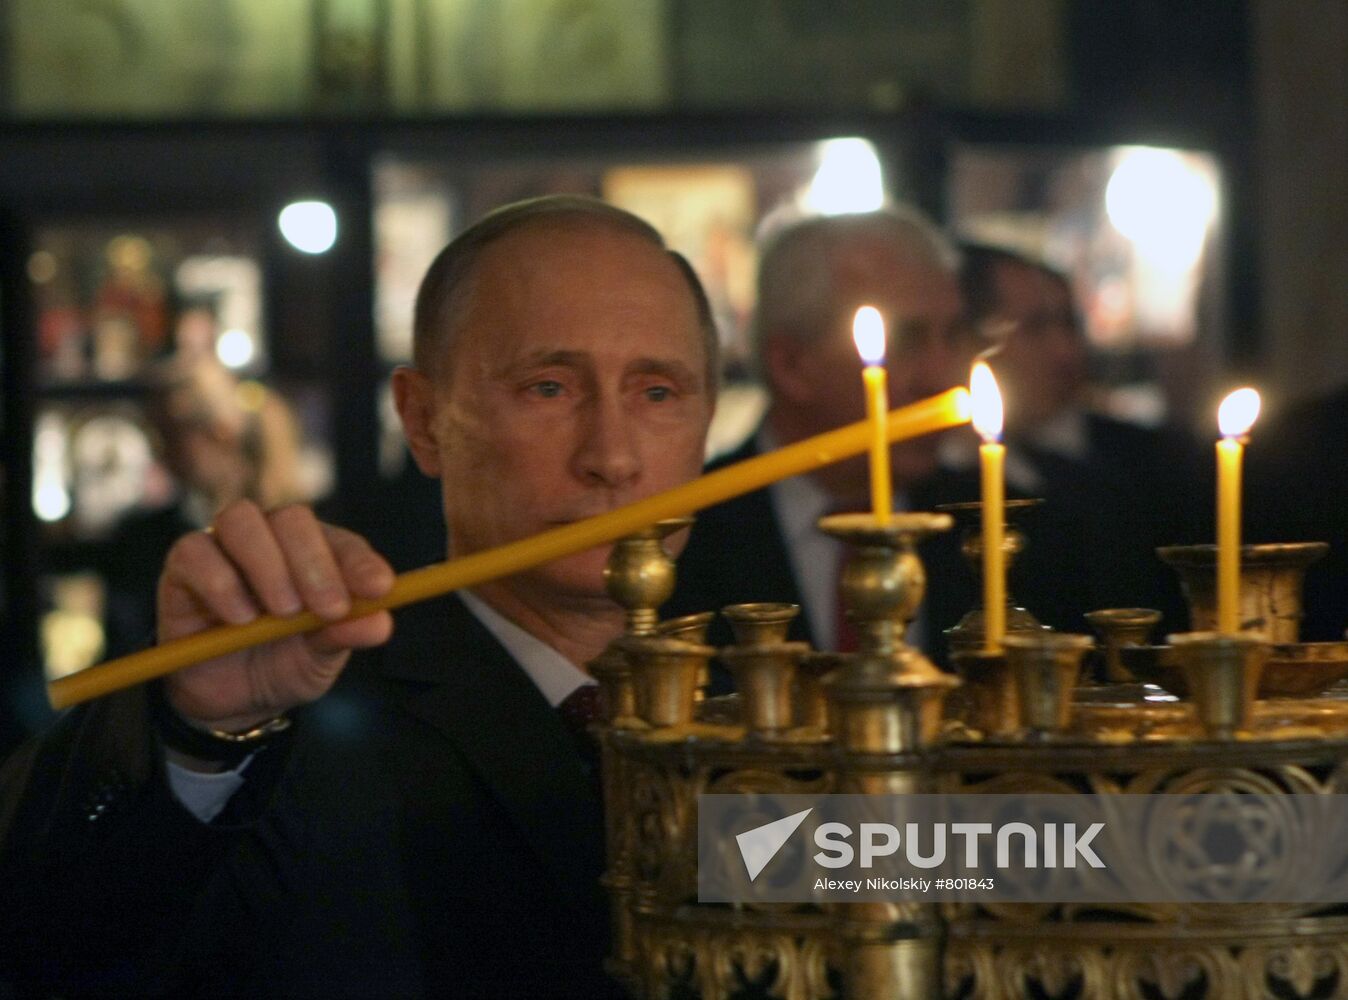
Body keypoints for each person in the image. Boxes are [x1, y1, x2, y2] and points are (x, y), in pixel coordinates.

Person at [0, 195, 717, 998]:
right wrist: (200, 739)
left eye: (657, 393)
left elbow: (864, 919)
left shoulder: (772, 705)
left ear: (707, 422)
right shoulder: (299, 728)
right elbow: (56, 949)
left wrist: (884, 837)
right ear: (422, 420)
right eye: (548, 388)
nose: (612, 458)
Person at [666, 206, 980, 661]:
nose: (942, 376)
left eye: (953, 335)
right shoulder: (685, 537)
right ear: (791, 365)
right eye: (905, 340)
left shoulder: (992, 524)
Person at [952, 243, 1206, 639]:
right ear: (965, 339)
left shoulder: (1161, 463)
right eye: (1034, 327)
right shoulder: (932, 478)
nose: (1065, 352)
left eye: (1069, 324)